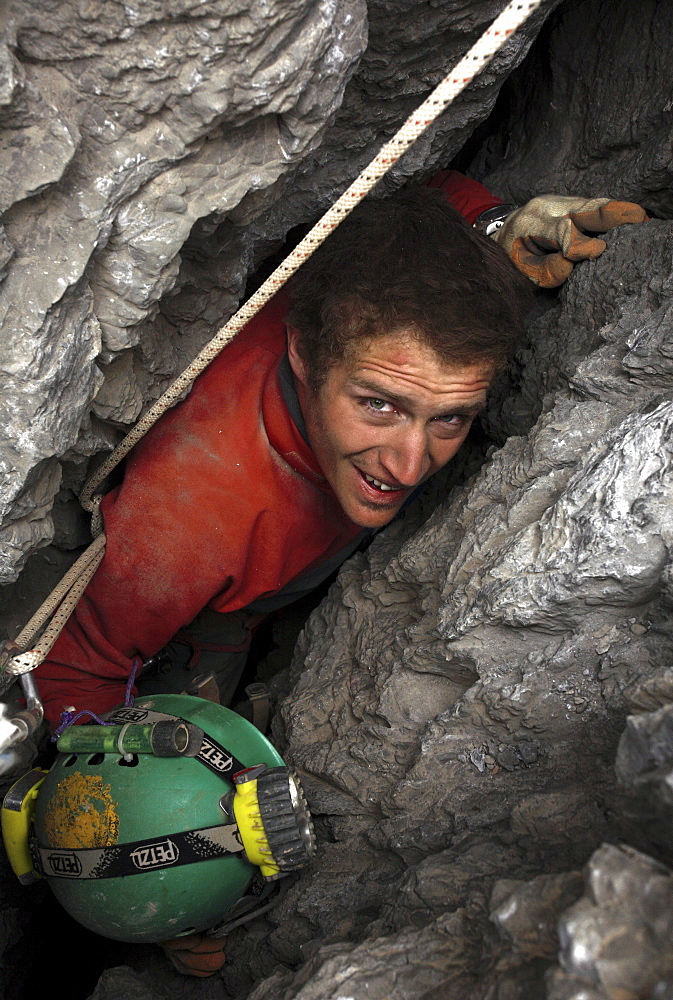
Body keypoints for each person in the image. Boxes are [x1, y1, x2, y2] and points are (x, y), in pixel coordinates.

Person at [30, 171, 646, 975]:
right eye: (379, 405)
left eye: (449, 418)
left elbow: (408, 197)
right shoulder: (189, 516)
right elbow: (77, 669)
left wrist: (495, 230)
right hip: (203, 611)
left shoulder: (364, 303)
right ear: (302, 352)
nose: (409, 460)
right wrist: (153, 869)